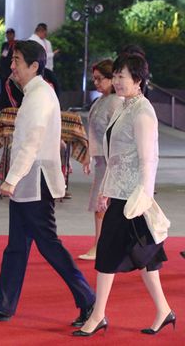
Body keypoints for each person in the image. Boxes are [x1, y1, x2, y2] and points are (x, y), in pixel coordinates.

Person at [0, 40, 95, 327]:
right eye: (12, 60)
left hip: (34, 181)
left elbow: (32, 142)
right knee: (16, 247)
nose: (11, 66)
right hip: (29, 180)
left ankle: (89, 300)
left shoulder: (39, 96)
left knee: (49, 245)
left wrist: (11, 180)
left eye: (16, 61)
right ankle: (3, 305)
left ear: (34, 66)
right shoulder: (35, 93)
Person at [73, 54, 174, 337]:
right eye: (115, 75)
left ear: (138, 80)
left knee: (106, 253)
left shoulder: (142, 112)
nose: (116, 81)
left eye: (122, 76)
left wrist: (143, 197)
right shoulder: (124, 106)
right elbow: (114, 155)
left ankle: (98, 315)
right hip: (119, 192)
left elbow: (149, 160)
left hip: (132, 198)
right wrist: (105, 187)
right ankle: (164, 310)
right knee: (146, 257)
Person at [78, 60, 121, 261]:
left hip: (112, 162)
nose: (95, 82)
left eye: (99, 78)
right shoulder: (102, 100)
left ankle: (100, 245)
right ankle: (102, 245)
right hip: (103, 161)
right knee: (102, 206)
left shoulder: (115, 101)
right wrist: (89, 154)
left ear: (112, 79)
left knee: (101, 206)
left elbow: (117, 136)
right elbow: (94, 134)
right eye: (93, 78)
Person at [0, 28, 16, 102]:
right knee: (3, 89)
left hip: (11, 70)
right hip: (3, 71)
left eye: (10, 34)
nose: (9, 36)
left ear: (14, 35)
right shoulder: (5, 45)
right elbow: (2, 57)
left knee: (11, 89)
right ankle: (3, 103)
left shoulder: (16, 44)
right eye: (7, 34)